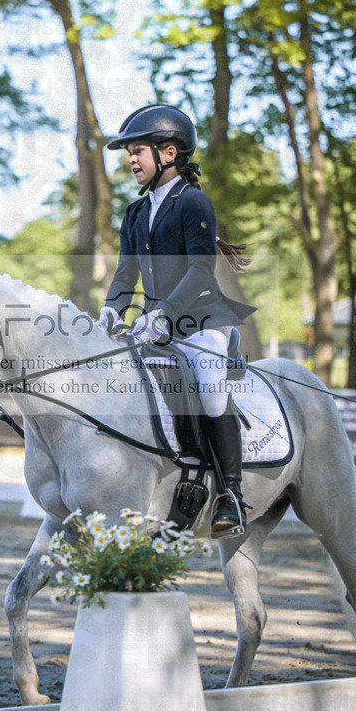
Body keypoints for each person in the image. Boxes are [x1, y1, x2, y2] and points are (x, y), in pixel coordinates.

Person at [99, 104, 254, 537]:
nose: (131, 160)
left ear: (168, 153)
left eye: (137, 151)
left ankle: (231, 496)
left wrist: (164, 313)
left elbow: (201, 270)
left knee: (208, 385)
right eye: (128, 152)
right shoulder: (135, 212)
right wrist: (113, 307)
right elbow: (126, 272)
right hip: (155, 321)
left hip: (201, 321)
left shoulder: (193, 202)